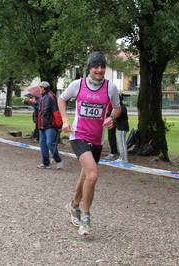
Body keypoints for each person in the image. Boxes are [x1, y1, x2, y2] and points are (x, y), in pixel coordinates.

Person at [58, 51, 121, 235]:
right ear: (89, 68)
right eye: (96, 66)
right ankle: (86, 218)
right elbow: (62, 99)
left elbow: (117, 108)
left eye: (102, 67)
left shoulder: (111, 88)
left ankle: (73, 206)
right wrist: (65, 120)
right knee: (92, 175)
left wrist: (111, 118)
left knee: (85, 176)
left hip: (97, 139)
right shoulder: (78, 84)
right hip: (78, 135)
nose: (100, 70)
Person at [35, 81, 63, 169]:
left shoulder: (51, 96)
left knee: (50, 142)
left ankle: (58, 160)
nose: (39, 89)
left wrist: (59, 125)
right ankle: (45, 162)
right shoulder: (42, 98)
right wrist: (27, 102)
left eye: (40, 87)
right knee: (42, 144)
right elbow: (37, 106)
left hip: (50, 125)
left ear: (43, 88)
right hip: (41, 125)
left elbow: (56, 111)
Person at [115, 94, 129, 163]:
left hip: (122, 127)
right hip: (121, 126)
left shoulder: (121, 108)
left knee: (122, 143)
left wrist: (109, 115)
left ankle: (124, 158)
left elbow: (118, 117)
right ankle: (122, 156)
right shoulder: (121, 107)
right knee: (120, 142)